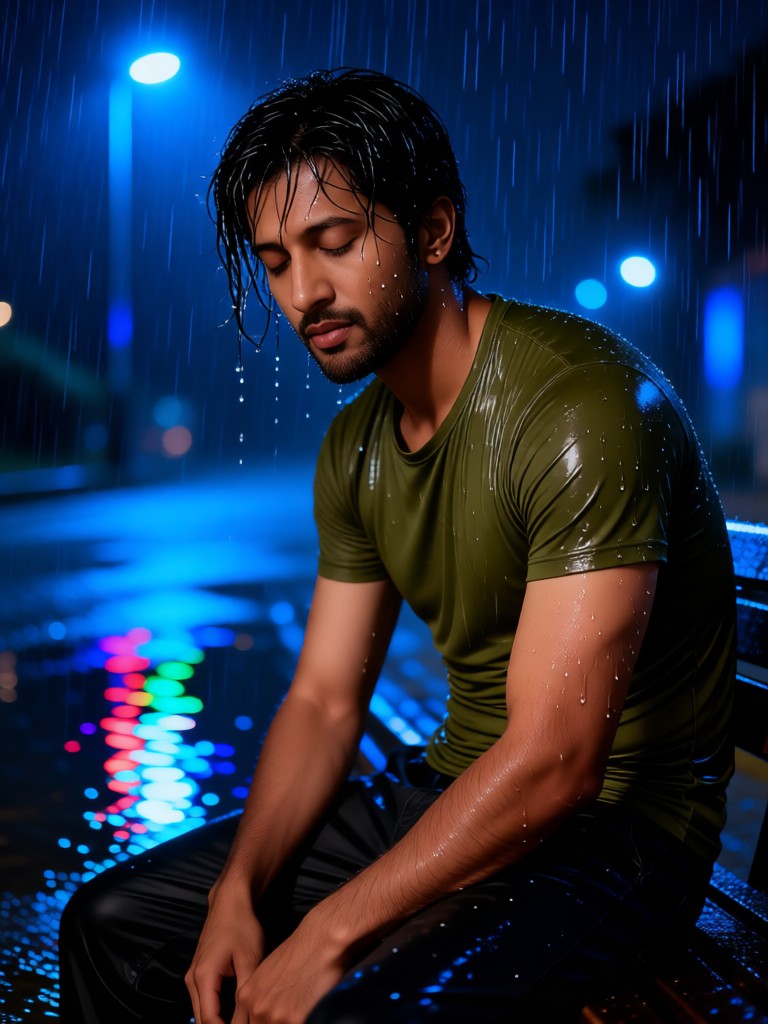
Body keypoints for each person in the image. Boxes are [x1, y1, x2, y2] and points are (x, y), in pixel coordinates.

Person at [58, 68, 736, 1024]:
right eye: (276, 261)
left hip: (616, 840)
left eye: (334, 243)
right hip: (450, 787)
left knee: (352, 1007)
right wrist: (238, 891)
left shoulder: (578, 407)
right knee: (113, 924)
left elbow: (559, 761)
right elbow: (326, 700)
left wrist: (329, 932)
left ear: (433, 231)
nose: (304, 292)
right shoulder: (355, 448)